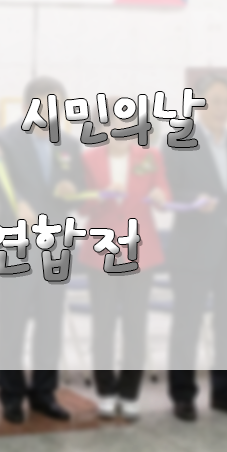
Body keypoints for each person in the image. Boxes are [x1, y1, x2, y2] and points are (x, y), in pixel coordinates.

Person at [165, 73, 227, 422]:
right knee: (187, 325)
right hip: (194, 247)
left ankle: (226, 393)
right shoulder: (178, 140)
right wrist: (194, 199)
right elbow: (167, 190)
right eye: (215, 100)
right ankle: (182, 395)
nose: (222, 107)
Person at [0, 76, 85, 424]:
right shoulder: (5, 140)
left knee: (50, 321)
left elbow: (79, 184)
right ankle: (11, 396)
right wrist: (16, 201)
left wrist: (70, 186)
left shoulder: (69, 143)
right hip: (16, 241)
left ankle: (45, 394)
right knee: (12, 323)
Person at [80, 115, 169, 421]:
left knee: (135, 325)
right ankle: (106, 391)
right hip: (101, 251)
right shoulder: (88, 158)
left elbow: (164, 191)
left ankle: (130, 394)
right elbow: (82, 204)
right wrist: (101, 195)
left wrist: (160, 196)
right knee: (102, 326)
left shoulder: (150, 156)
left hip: (139, 250)